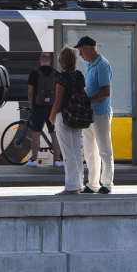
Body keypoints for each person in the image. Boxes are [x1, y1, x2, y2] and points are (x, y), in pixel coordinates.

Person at [76, 36, 114, 194]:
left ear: (91, 48)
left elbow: (106, 92)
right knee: (90, 150)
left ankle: (107, 184)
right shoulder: (89, 65)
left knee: (104, 148)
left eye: (82, 50)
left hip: (100, 113)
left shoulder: (102, 65)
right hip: (89, 114)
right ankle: (92, 184)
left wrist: (86, 100)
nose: (80, 54)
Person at [50, 46, 87, 195]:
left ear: (62, 61)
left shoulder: (61, 77)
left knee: (68, 152)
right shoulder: (79, 75)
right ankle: (78, 184)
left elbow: (58, 102)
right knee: (77, 151)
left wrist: (51, 115)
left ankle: (71, 187)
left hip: (64, 117)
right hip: (77, 117)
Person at [25, 51, 59, 167]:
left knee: (36, 133)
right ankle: (58, 160)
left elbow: (30, 93)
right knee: (54, 134)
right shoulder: (56, 73)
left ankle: (34, 159)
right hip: (52, 108)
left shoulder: (34, 73)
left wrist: (32, 106)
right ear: (50, 61)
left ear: (40, 60)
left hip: (37, 108)